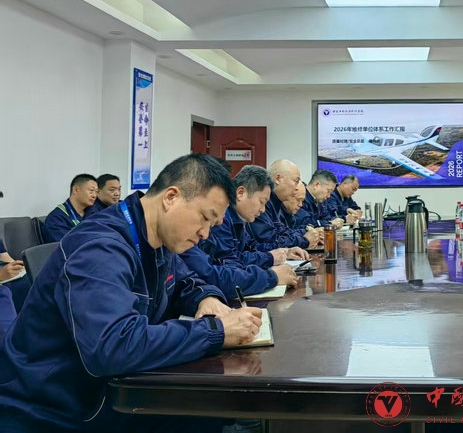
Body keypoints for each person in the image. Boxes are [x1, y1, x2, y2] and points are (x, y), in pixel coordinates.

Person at [0, 154, 264, 432]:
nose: (205, 234)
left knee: (217, 411)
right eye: (205, 218)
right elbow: (113, 345)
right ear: (171, 197)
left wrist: (206, 298)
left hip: (106, 391)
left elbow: (185, 281)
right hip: (55, 409)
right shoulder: (100, 247)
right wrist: (215, 331)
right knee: (210, 412)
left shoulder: (156, 238)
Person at [251, 160, 323, 249]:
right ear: (278, 179)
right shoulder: (263, 203)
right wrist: (304, 240)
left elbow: (284, 232)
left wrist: (307, 232)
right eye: (296, 181)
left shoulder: (276, 203)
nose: (296, 188)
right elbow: (269, 240)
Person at [42, 174, 98, 242]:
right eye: (91, 190)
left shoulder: (93, 213)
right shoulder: (56, 218)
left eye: (96, 192)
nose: (94, 195)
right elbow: (66, 245)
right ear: (75, 189)